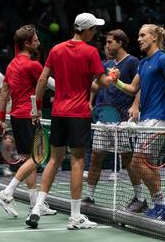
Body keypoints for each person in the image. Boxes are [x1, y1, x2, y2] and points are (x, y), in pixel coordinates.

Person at [27, 12, 113, 229]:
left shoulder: (56, 49)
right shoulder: (91, 52)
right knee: (77, 162)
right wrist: (113, 77)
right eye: (93, 29)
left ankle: (37, 207)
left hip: (58, 113)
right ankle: (75, 216)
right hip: (78, 115)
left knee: (54, 160)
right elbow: (102, 83)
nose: (95, 32)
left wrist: (36, 108)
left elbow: (43, 79)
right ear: (84, 30)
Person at [108, 24, 165, 220]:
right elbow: (132, 89)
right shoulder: (143, 63)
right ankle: (159, 207)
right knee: (148, 164)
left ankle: (163, 202)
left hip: (159, 119)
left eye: (142, 35)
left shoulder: (163, 60)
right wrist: (116, 82)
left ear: (154, 38)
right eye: (138, 35)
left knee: (138, 162)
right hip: (146, 119)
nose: (139, 39)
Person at [0, 25, 56, 218]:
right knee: (39, 158)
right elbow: (51, 84)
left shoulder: (11, 65)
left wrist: (2, 119)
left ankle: (35, 203)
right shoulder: (33, 65)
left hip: (16, 117)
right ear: (27, 43)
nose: (38, 42)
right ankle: (7, 192)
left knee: (30, 160)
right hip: (29, 116)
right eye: (35, 39)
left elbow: (4, 93)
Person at [82, 29, 147, 213]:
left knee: (128, 160)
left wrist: (135, 106)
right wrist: (88, 99)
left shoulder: (133, 62)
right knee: (96, 157)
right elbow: (96, 85)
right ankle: (90, 196)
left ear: (120, 43)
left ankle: (140, 198)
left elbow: (139, 86)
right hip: (104, 119)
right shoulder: (106, 64)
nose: (107, 45)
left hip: (122, 120)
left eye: (110, 42)